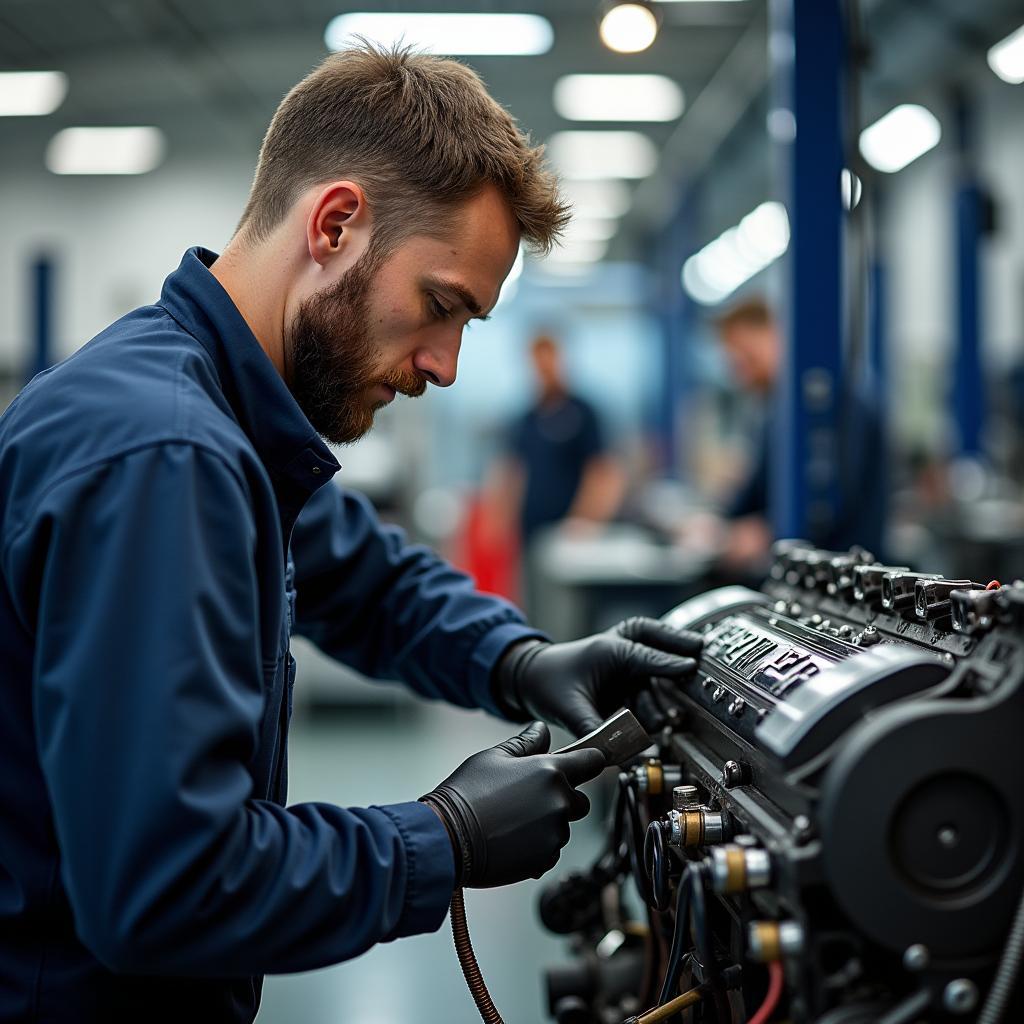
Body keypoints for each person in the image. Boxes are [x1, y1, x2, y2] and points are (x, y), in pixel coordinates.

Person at [0, 46, 702, 1022]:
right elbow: (163, 885)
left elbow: (370, 581)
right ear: (334, 224)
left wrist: (524, 659)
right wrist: (441, 837)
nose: (447, 365)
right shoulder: (166, 453)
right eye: (440, 306)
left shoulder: (226, 414)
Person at [686, 297, 883, 569]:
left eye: (748, 356)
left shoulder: (839, 404)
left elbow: (834, 498)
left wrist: (766, 532)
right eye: (734, 361)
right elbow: (754, 493)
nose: (741, 372)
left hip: (846, 572)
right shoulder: (777, 412)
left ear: (777, 336)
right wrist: (718, 523)